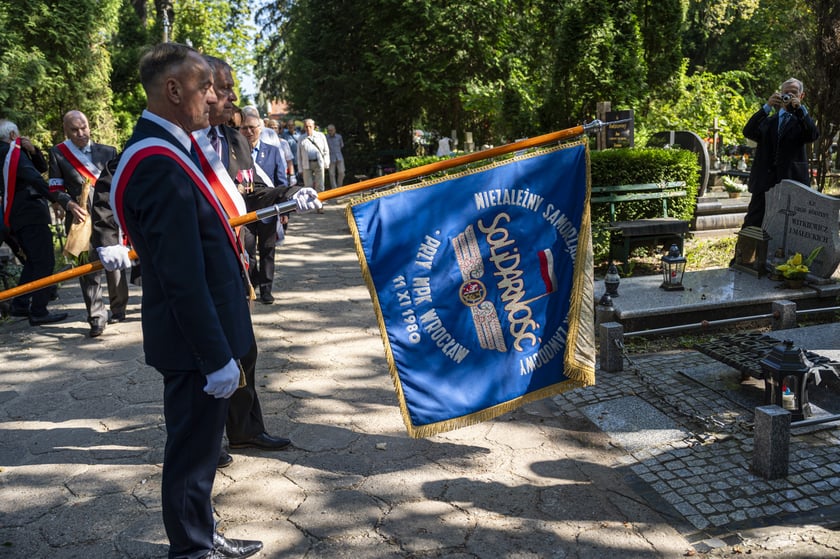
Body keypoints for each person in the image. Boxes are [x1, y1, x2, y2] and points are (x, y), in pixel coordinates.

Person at [98, 42, 264, 559]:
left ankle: (201, 533)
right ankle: (192, 550)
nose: (215, 96)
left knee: (198, 452)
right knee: (191, 454)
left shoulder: (169, 147)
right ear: (174, 90)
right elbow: (181, 275)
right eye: (206, 87)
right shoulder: (158, 161)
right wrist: (214, 356)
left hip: (202, 332)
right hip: (196, 341)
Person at [202, 55, 320, 470]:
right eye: (222, 88)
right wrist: (109, 239)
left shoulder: (233, 141)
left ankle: (245, 429)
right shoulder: (175, 141)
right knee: (204, 355)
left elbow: (247, 197)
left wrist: (289, 196)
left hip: (234, 260)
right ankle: (207, 438)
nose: (230, 97)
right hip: (194, 267)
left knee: (243, 350)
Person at [49, 110, 124, 337]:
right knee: (86, 268)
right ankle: (96, 316)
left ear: (89, 126)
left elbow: (120, 182)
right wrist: (69, 204)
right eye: (74, 129)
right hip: (79, 221)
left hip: (108, 217)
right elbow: (54, 187)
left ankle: (118, 308)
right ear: (66, 131)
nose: (81, 133)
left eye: (84, 127)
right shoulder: (59, 154)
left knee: (113, 263)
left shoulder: (108, 151)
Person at [1, 119, 68, 326]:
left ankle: (20, 304)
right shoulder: (11, 154)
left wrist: (33, 150)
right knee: (45, 261)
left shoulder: (12, 152)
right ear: (13, 135)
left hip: (15, 214)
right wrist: (60, 199)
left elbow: (39, 167)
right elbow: (35, 179)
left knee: (33, 261)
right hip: (29, 214)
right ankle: (39, 311)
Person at [741, 77, 819, 228]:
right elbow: (748, 131)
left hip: (792, 182)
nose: (789, 96)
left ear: (801, 96)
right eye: (786, 92)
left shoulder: (802, 121)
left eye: (794, 93)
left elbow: (813, 135)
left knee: (789, 229)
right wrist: (767, 107)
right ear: (780, 94)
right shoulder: (769, 121)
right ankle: (747, 252)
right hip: (764, 182)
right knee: (752, 224)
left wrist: (800, 109)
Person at [239, 112, 295, 304]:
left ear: (260, 130)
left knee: (267, 249)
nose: (248, 132)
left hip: (269, 209)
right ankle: (251, 282)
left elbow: (281, 181)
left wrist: (285, 210)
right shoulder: (236, 152)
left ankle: (266, 289)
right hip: (245, 211)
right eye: (244, 128)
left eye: (252, 128)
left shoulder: (272, 151)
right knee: (247, 249)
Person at [296, 118, 330, 199]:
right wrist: (300, 169)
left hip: (319, 163)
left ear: (313, 126)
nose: (308, 128)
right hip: (306, 164)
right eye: (306, 127)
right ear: (304, 127)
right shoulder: (301, 138)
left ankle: (320, 203)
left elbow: (326, 150)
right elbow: (299, 155)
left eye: (310, 126)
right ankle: (310, 204)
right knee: (308, 186)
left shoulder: (320, 136)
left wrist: (326, 163)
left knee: (320, 185)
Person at [326, 124, 345, 189]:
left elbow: (341, 145)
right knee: (331, 174)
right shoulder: (326, 138)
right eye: (328, 130)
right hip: (330, 157)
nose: (330, 132)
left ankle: (339, 187)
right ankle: (334, 188)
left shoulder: (339, 137)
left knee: (341, 172)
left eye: (331, 130)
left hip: (339, 156)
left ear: (334, 130)